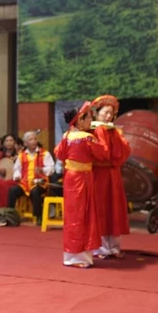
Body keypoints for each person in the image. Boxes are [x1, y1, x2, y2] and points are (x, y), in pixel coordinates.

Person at [54, 102, 109, 268]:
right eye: (89, 118)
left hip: (71, 177)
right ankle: (79, 257)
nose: (91, 121)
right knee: (83, 215)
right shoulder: (87, 138)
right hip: (83, 178)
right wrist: (102, 133)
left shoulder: (67, 136)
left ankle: (72, 256)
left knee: (72, 215)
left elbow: (59, 154)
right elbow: (103, 153)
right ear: (80, 120)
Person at [91, 95, 131, 258]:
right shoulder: (92, 130)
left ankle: (114, 247)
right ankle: (100, 247)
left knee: (114, 208)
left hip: (113, 174)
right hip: (98, 174)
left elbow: (125, 150)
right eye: (105, 112)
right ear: (96, 113)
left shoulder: (114, 131)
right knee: (100, 209)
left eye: (111, 113)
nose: (108, 116)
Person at [7, 131, 55, 224]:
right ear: (25, 143)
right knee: (12, 190)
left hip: (40, 183)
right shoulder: (21, 155)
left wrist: (42, 170)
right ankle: (9, 215)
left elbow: (51, 168)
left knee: (35, 191)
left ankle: (38, 216)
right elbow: (17, 169)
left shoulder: (45, 153)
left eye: (35, 139)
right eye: (31, 139)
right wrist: (17, 176)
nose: (34, 141)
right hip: (25, 184)